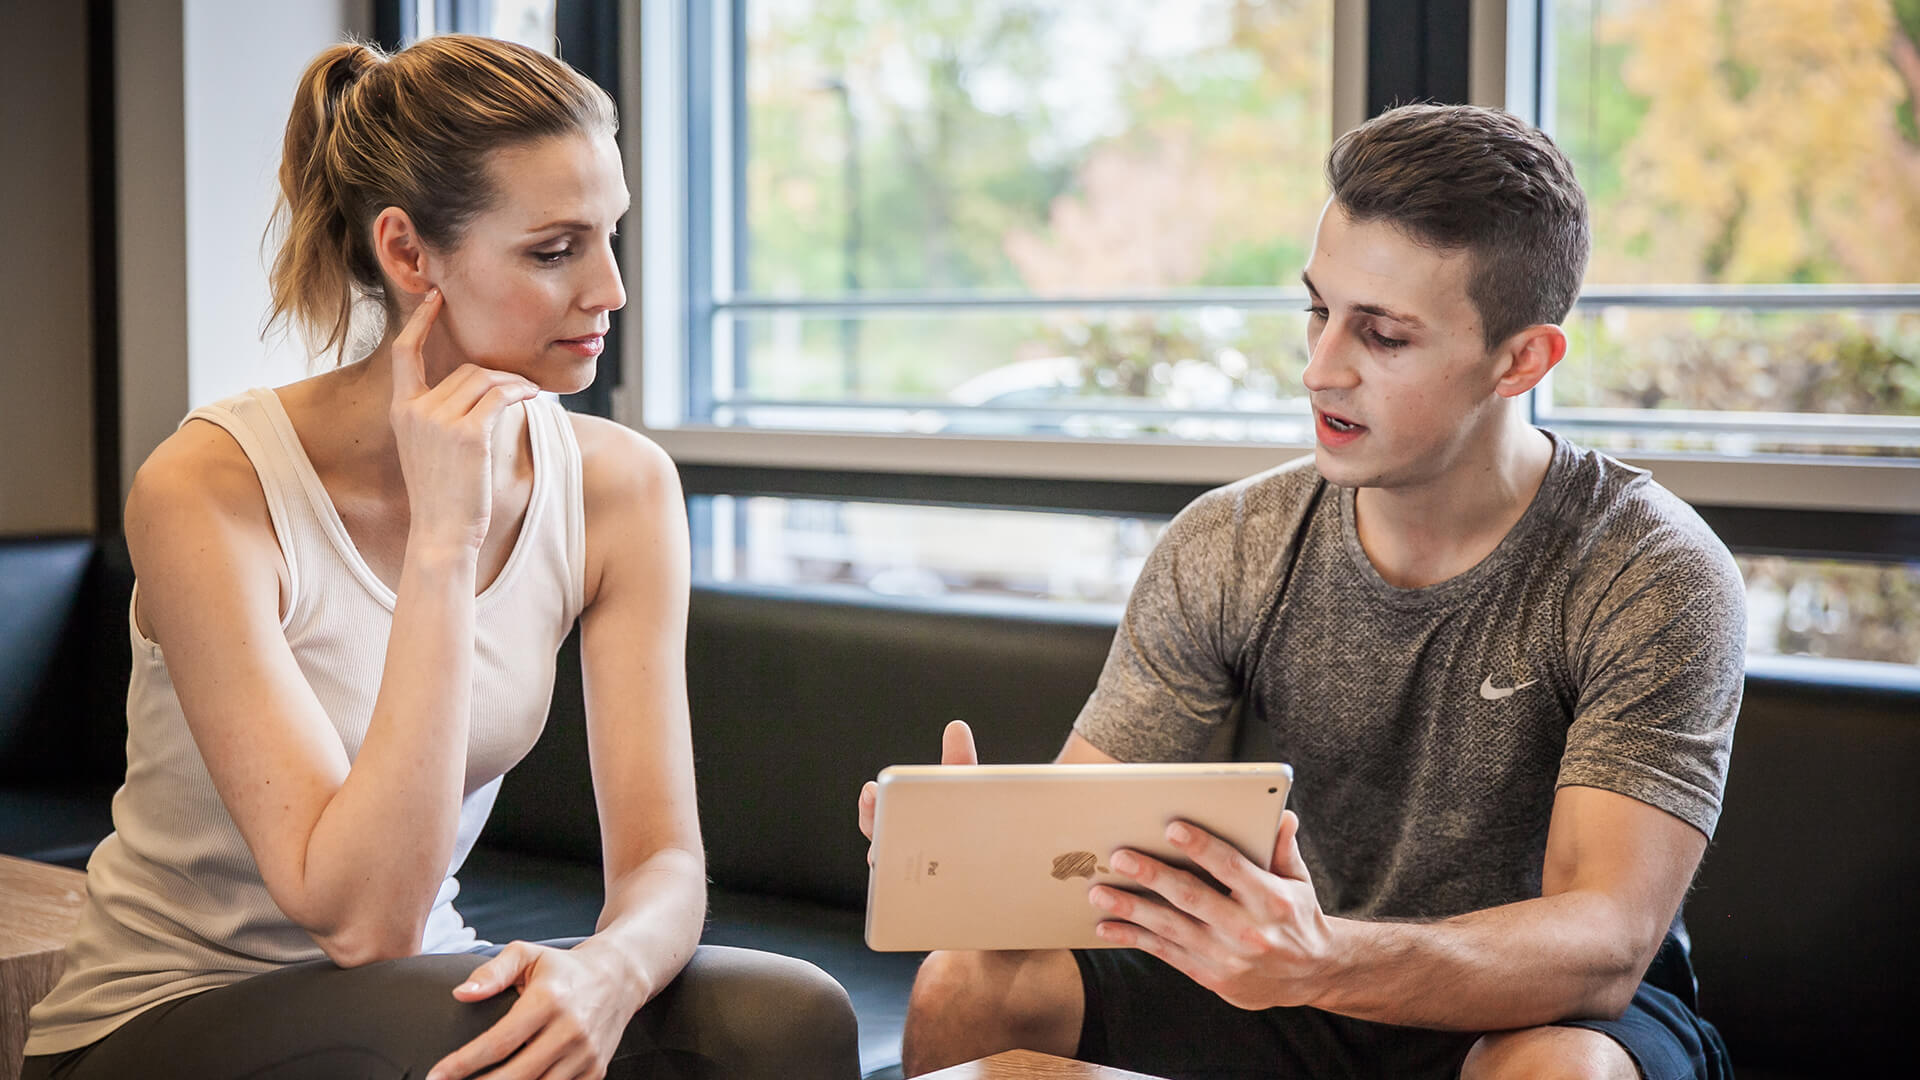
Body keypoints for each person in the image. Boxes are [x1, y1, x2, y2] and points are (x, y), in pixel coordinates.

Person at [25, 34, 857, 1080]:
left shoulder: (622, 488)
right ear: (410, 255)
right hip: (174, 1012)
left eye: (612, 238)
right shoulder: (209, 489)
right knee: (473, 1043)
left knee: (789, 1018)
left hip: (422, 984)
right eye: (554, 252)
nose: (610, 290)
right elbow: (363, 922)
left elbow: (664, 863)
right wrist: (444, 541)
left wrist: (607, 969)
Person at [859, 103, 1742, 1080]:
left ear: (1520, 359)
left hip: (1538, 1010)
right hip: (1293, 972)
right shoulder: (1230, 544)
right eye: (1319, 311)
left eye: (1384, 336)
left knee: (1555, 1075)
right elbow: (1085, 856)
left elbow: (1604, 946)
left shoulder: (1652, 569)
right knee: (971, 988)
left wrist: (1320, 960)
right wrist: (968, 867)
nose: (1321, 370)